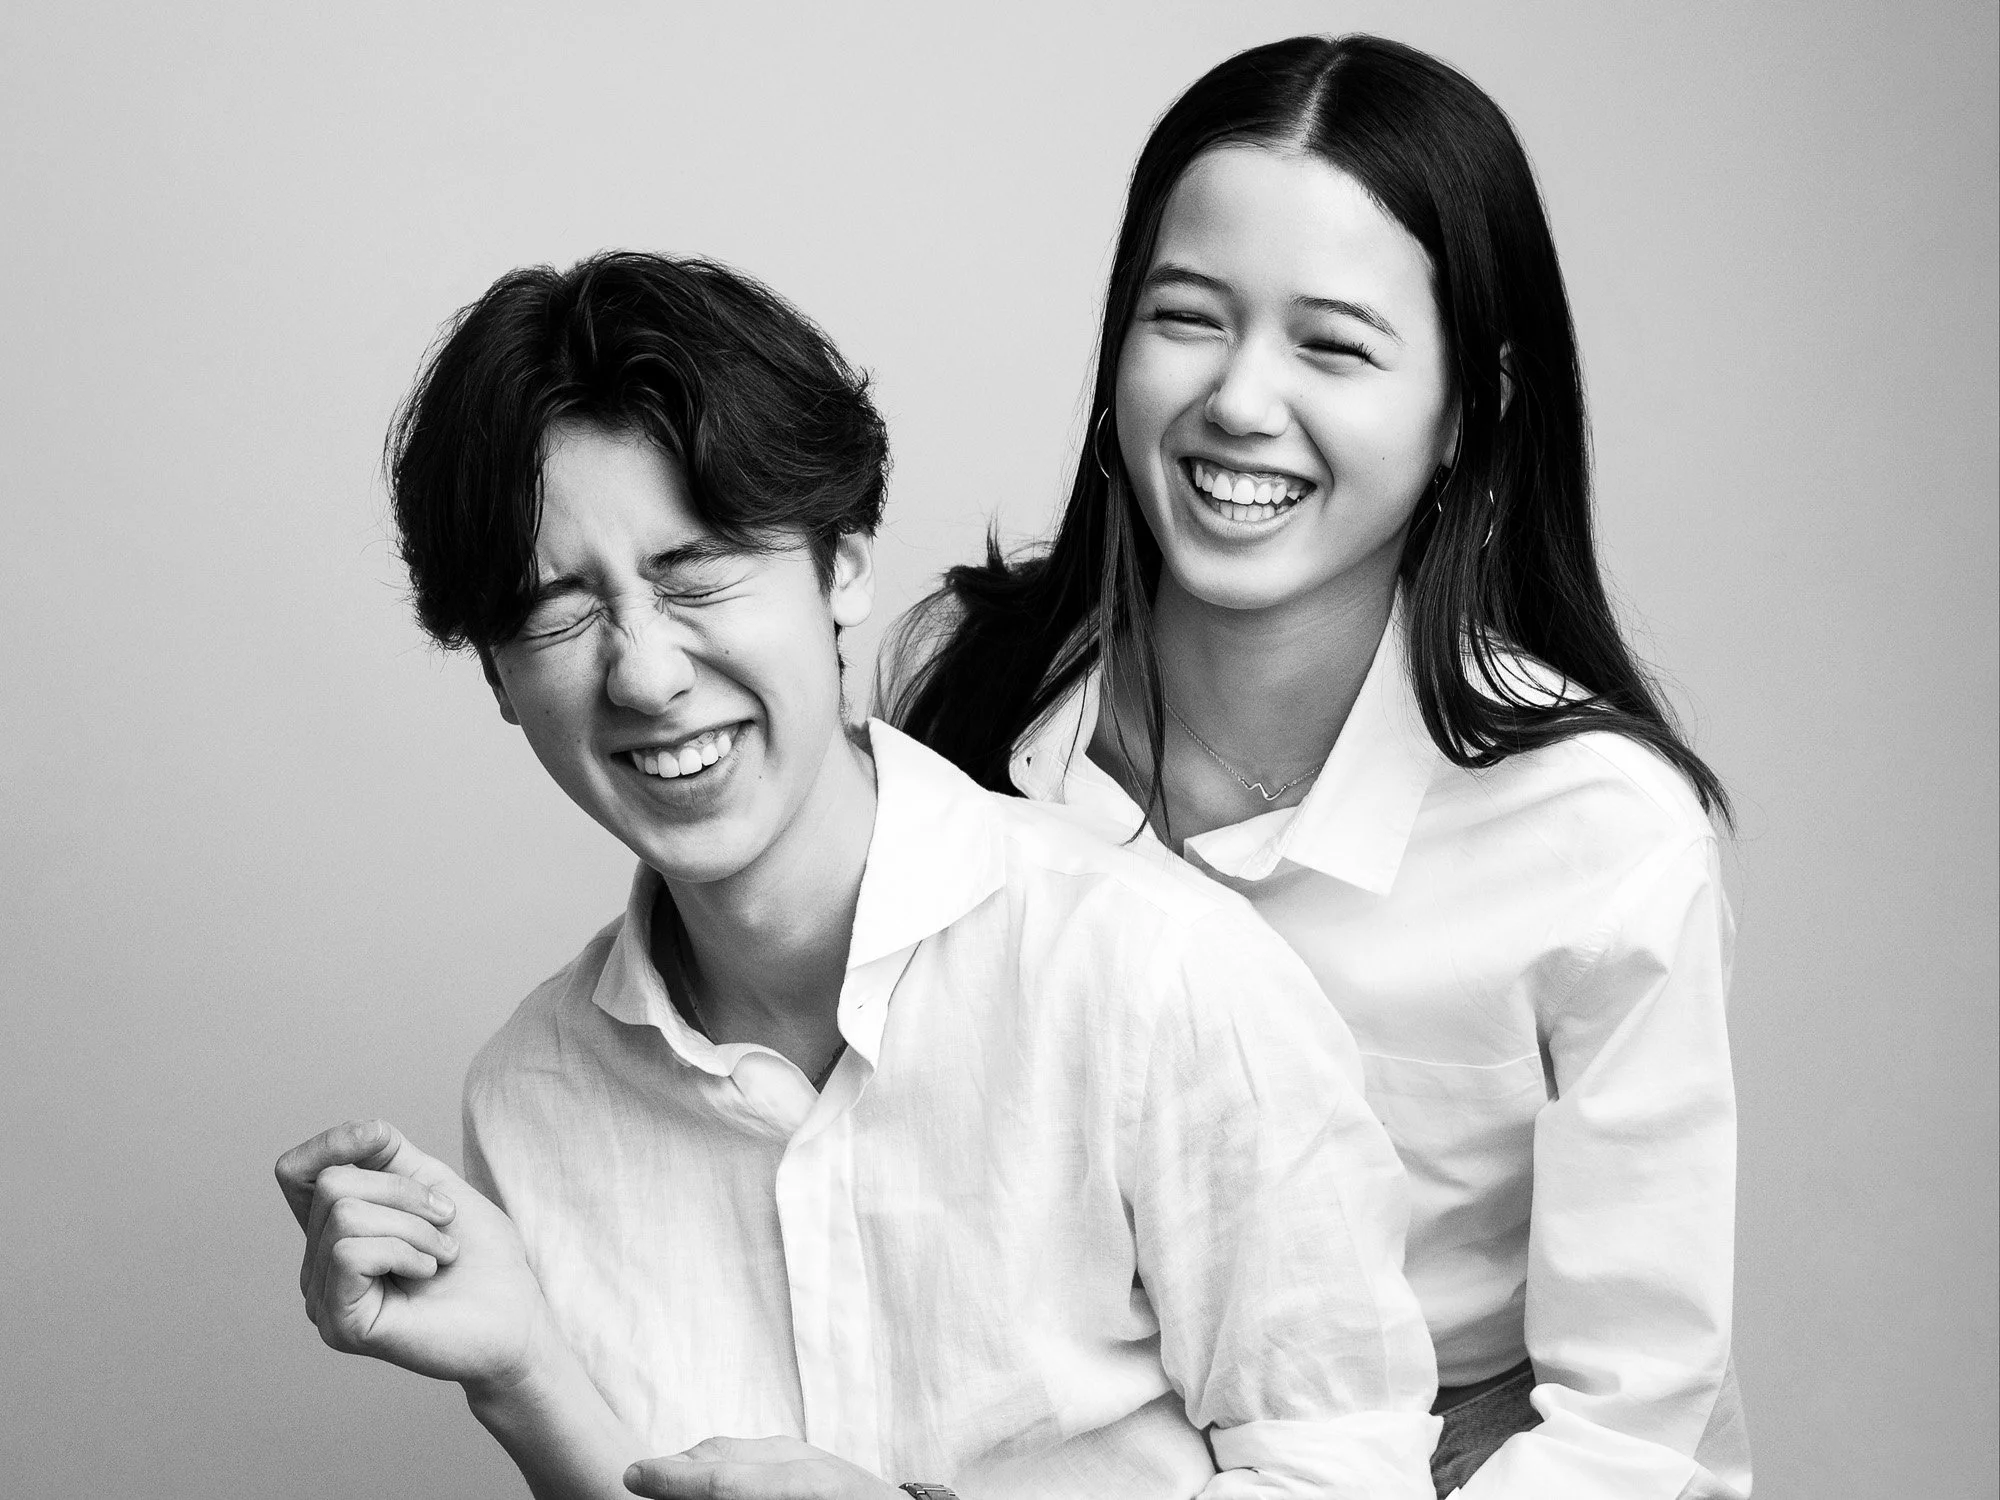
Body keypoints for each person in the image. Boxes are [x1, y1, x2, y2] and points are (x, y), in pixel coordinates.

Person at [274, 250, 1443, 1500]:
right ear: (499, 679)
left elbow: (1346, 1476)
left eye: (695, 573)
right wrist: (523, 1376)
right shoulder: (529, 1099)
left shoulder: (1152, 974)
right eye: (559, 612)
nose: (645, 674)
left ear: (839, 566)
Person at [882, 34, 1750, 1500]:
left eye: (1333, 346)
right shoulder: (974, 712)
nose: (1239, 399)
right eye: (1187, 318)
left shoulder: (1599, 833)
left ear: (1471, 407)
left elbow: (1628, 1427)